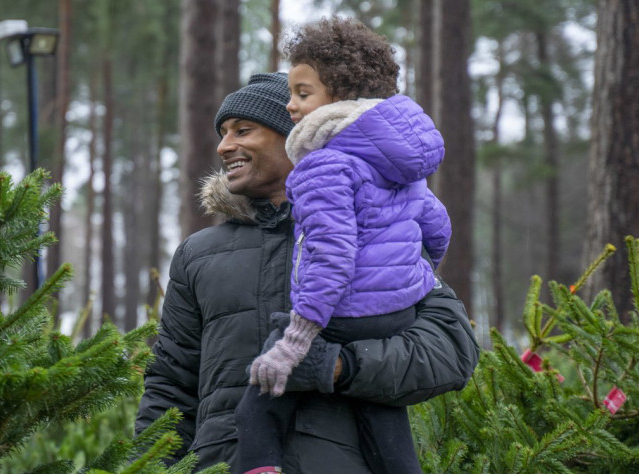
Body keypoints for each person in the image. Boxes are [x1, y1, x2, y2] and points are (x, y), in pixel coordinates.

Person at [135, 72, 479, 473]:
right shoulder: (199, 254)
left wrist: (341, 366)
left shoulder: (382, 233)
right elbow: (169, 386)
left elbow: (452, 350)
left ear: (296, 135)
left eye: (243, 130)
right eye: (224, 133)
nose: (224, 145)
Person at [237, 18, 450, 474]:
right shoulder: (393, 159)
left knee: (261, 398)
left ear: (339, 92)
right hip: (398, 312)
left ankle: (259, 467)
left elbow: (330, 256)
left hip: (345, 314)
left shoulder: (322, 165)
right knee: (383, 415)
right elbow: (436, 226)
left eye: (302, 93)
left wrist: (297, 339)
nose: (290, 105)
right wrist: (413, 276)